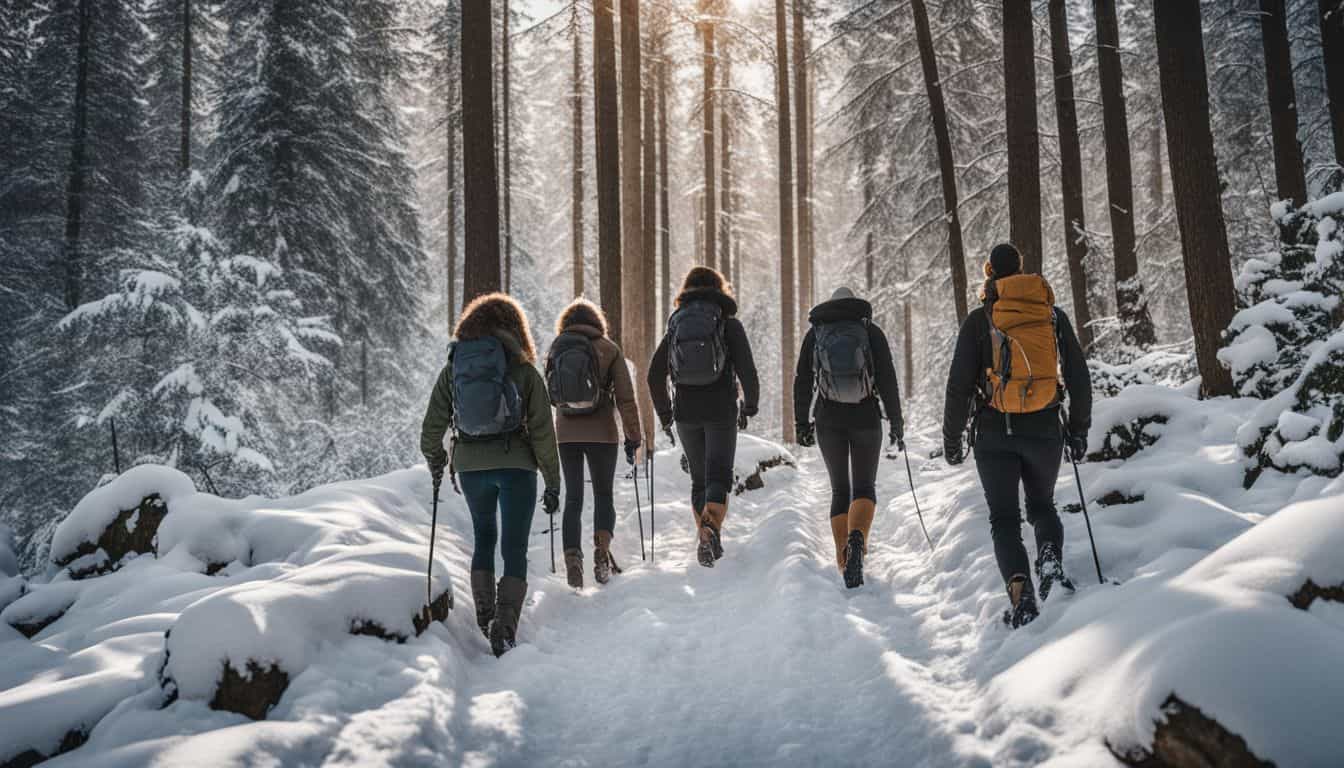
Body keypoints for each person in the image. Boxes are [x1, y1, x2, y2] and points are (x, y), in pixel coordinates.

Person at [942, 242, 1091, 628]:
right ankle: (1050, 560)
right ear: (1022, 272)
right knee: (1042, 506)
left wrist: (952, 438)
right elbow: (1077, 374)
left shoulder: (980, 320)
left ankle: (1020, 593)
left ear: (990, 274)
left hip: (994, 434)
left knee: (1004, 519)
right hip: (1045, 429)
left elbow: (958, 385)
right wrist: (1078, 429)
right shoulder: (1051, 316)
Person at [421, 292, 561, 657]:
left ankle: (486, 616)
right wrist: (552, 481)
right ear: (516, 329)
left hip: (470, 467)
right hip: (516, 467)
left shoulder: (455, 368)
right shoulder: (524, 371)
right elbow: (544, 432)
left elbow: (430, 429)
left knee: (484, 537)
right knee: (513, 546)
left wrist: (438, 461)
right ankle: (505, 623)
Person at [648, 266, 760, 568]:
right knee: (719, 474)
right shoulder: (727, 322)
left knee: (699, 479)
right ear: (719, 289)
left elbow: (653, 374)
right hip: (721, 408)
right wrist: (750, 405)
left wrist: (665, 414)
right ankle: (711, 529)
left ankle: (705, 531)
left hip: (686, 412)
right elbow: (747, 369)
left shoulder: (676, 324)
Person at [793, 287, 904, 589]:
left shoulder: (816, 332)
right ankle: (858, 540)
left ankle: (844, 558)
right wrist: (896, 420)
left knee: (839, 489)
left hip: (828, 419)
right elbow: (888, 378)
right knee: (865, 486)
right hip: (866, 416)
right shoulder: (870, 330)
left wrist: (801, 422)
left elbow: (803, 380)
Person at [546, 298, 642, 589]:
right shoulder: (609, 349)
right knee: (603, 494)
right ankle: (602, 549)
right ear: (596, 322)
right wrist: (633, 437)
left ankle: (573, 560)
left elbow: (548, 391)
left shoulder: (556, 347)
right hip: (602, 433)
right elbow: (626, 398)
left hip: (566, 434)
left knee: (573, 498)